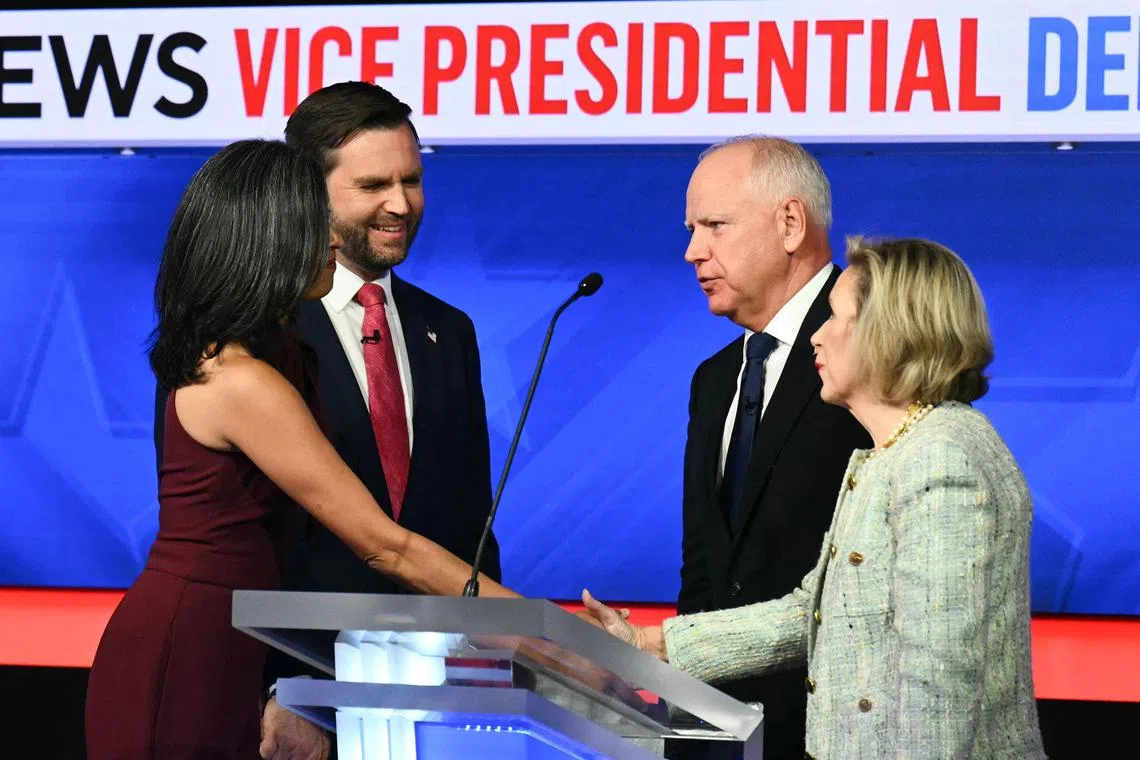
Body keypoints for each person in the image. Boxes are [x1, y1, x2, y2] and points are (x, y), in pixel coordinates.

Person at [87, 139, 520, 760]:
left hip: (231, 642)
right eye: (315, 227)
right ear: (271, 240)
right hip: (194, 650)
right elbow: (383, 544)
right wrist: (546, 628)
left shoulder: (268, 358)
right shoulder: (241, 380)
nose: (335, 243)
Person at [584, 236, 1047, 760]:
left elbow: (937, 687)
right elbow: (815, 612)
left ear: (887, 332)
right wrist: (652, 645)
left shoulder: (941, 459)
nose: (816, 338)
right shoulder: (891, 452)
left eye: (834, 317)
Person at [672, 137, 870, 759]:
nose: (692, 251)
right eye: (691, 229)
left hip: (837, 730)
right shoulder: (714, 378)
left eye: (715, 226)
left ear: (790, 223)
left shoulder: (877, 348)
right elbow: (705, 571)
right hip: (724, 733)